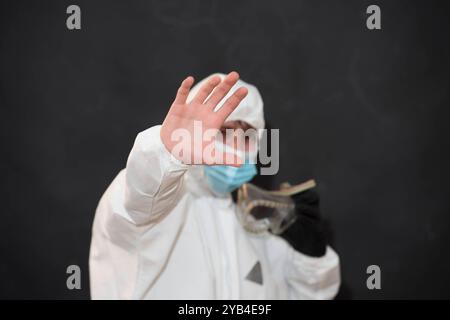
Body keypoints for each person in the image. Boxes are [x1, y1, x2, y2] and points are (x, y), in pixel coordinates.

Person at [89, 71, 341, 299]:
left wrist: (311, 254)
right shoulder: (156, 209)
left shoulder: (257, 227)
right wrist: (167, 153)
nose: (234, 147)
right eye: (222, 132)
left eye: (247, 136)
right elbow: (139, 196)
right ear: (192, 133)